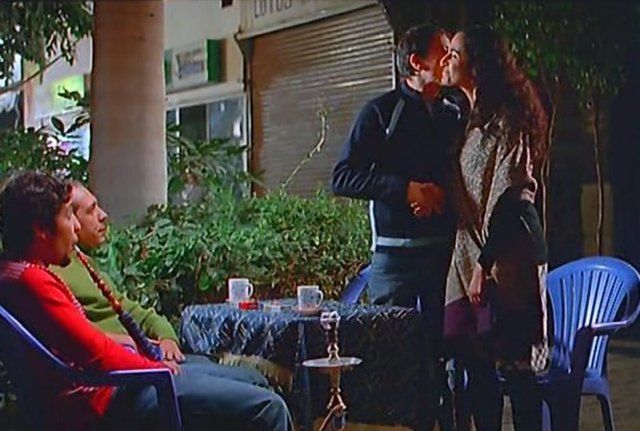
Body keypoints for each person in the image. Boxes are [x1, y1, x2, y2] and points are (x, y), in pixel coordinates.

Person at [0, 171, 293, 431]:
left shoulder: (15, 273)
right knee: (268, 408)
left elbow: (84, 342)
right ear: (41, 230)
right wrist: (153, 367)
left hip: (114, 386)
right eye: (67, 216)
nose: (75, 227)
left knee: (253, 385)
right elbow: (96, 352)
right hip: (109, 398)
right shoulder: (33, 281)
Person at [331, 23, 468, 429]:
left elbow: (464, 176)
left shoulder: (454, 112)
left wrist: (439, 197)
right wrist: (405, 190)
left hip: (444, 256)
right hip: (394, 261)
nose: (450, 58)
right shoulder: (380, 112)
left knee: (442, 357)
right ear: (416, 62)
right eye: (442, 51)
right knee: (392, 357)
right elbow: (343, 177)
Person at [440, 27, 550, 431]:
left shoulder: (507, 119)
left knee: (518, 371)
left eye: (455, 53)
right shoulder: (470, 119)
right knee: (479, 368)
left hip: (509, 257)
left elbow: (512, 196)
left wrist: (484, 265)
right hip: (471, 256)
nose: (447, 60)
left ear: (478, 64)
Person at [51, 181, 267, 386]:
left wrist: (166, 337)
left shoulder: (83, 261)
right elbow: (84, 338)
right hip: (131, 371)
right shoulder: (54, 274)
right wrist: (141, 349)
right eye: (90, 211)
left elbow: (131, 309)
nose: (103, 216)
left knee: (252, 379)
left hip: (149, 357)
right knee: (254, 387)